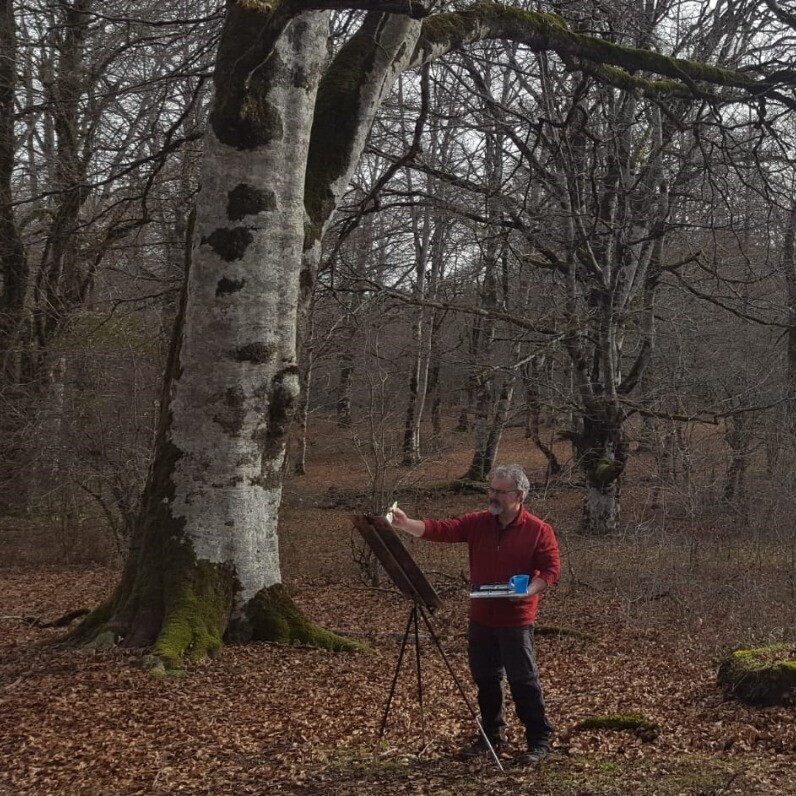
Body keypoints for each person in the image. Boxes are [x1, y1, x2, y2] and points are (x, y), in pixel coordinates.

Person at [390, 464, 560, 766]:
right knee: (485, 679)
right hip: (481, 618)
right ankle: (491, 736)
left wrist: (530, 589)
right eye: (490, 489)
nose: (492, 496)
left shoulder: (538, 530)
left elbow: (550, 569)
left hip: (516, 620)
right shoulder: (479, 522)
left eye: (499, 491)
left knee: (523, 681)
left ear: (519, 494)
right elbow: (443, 529)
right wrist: (405, 524)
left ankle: (538, 740)